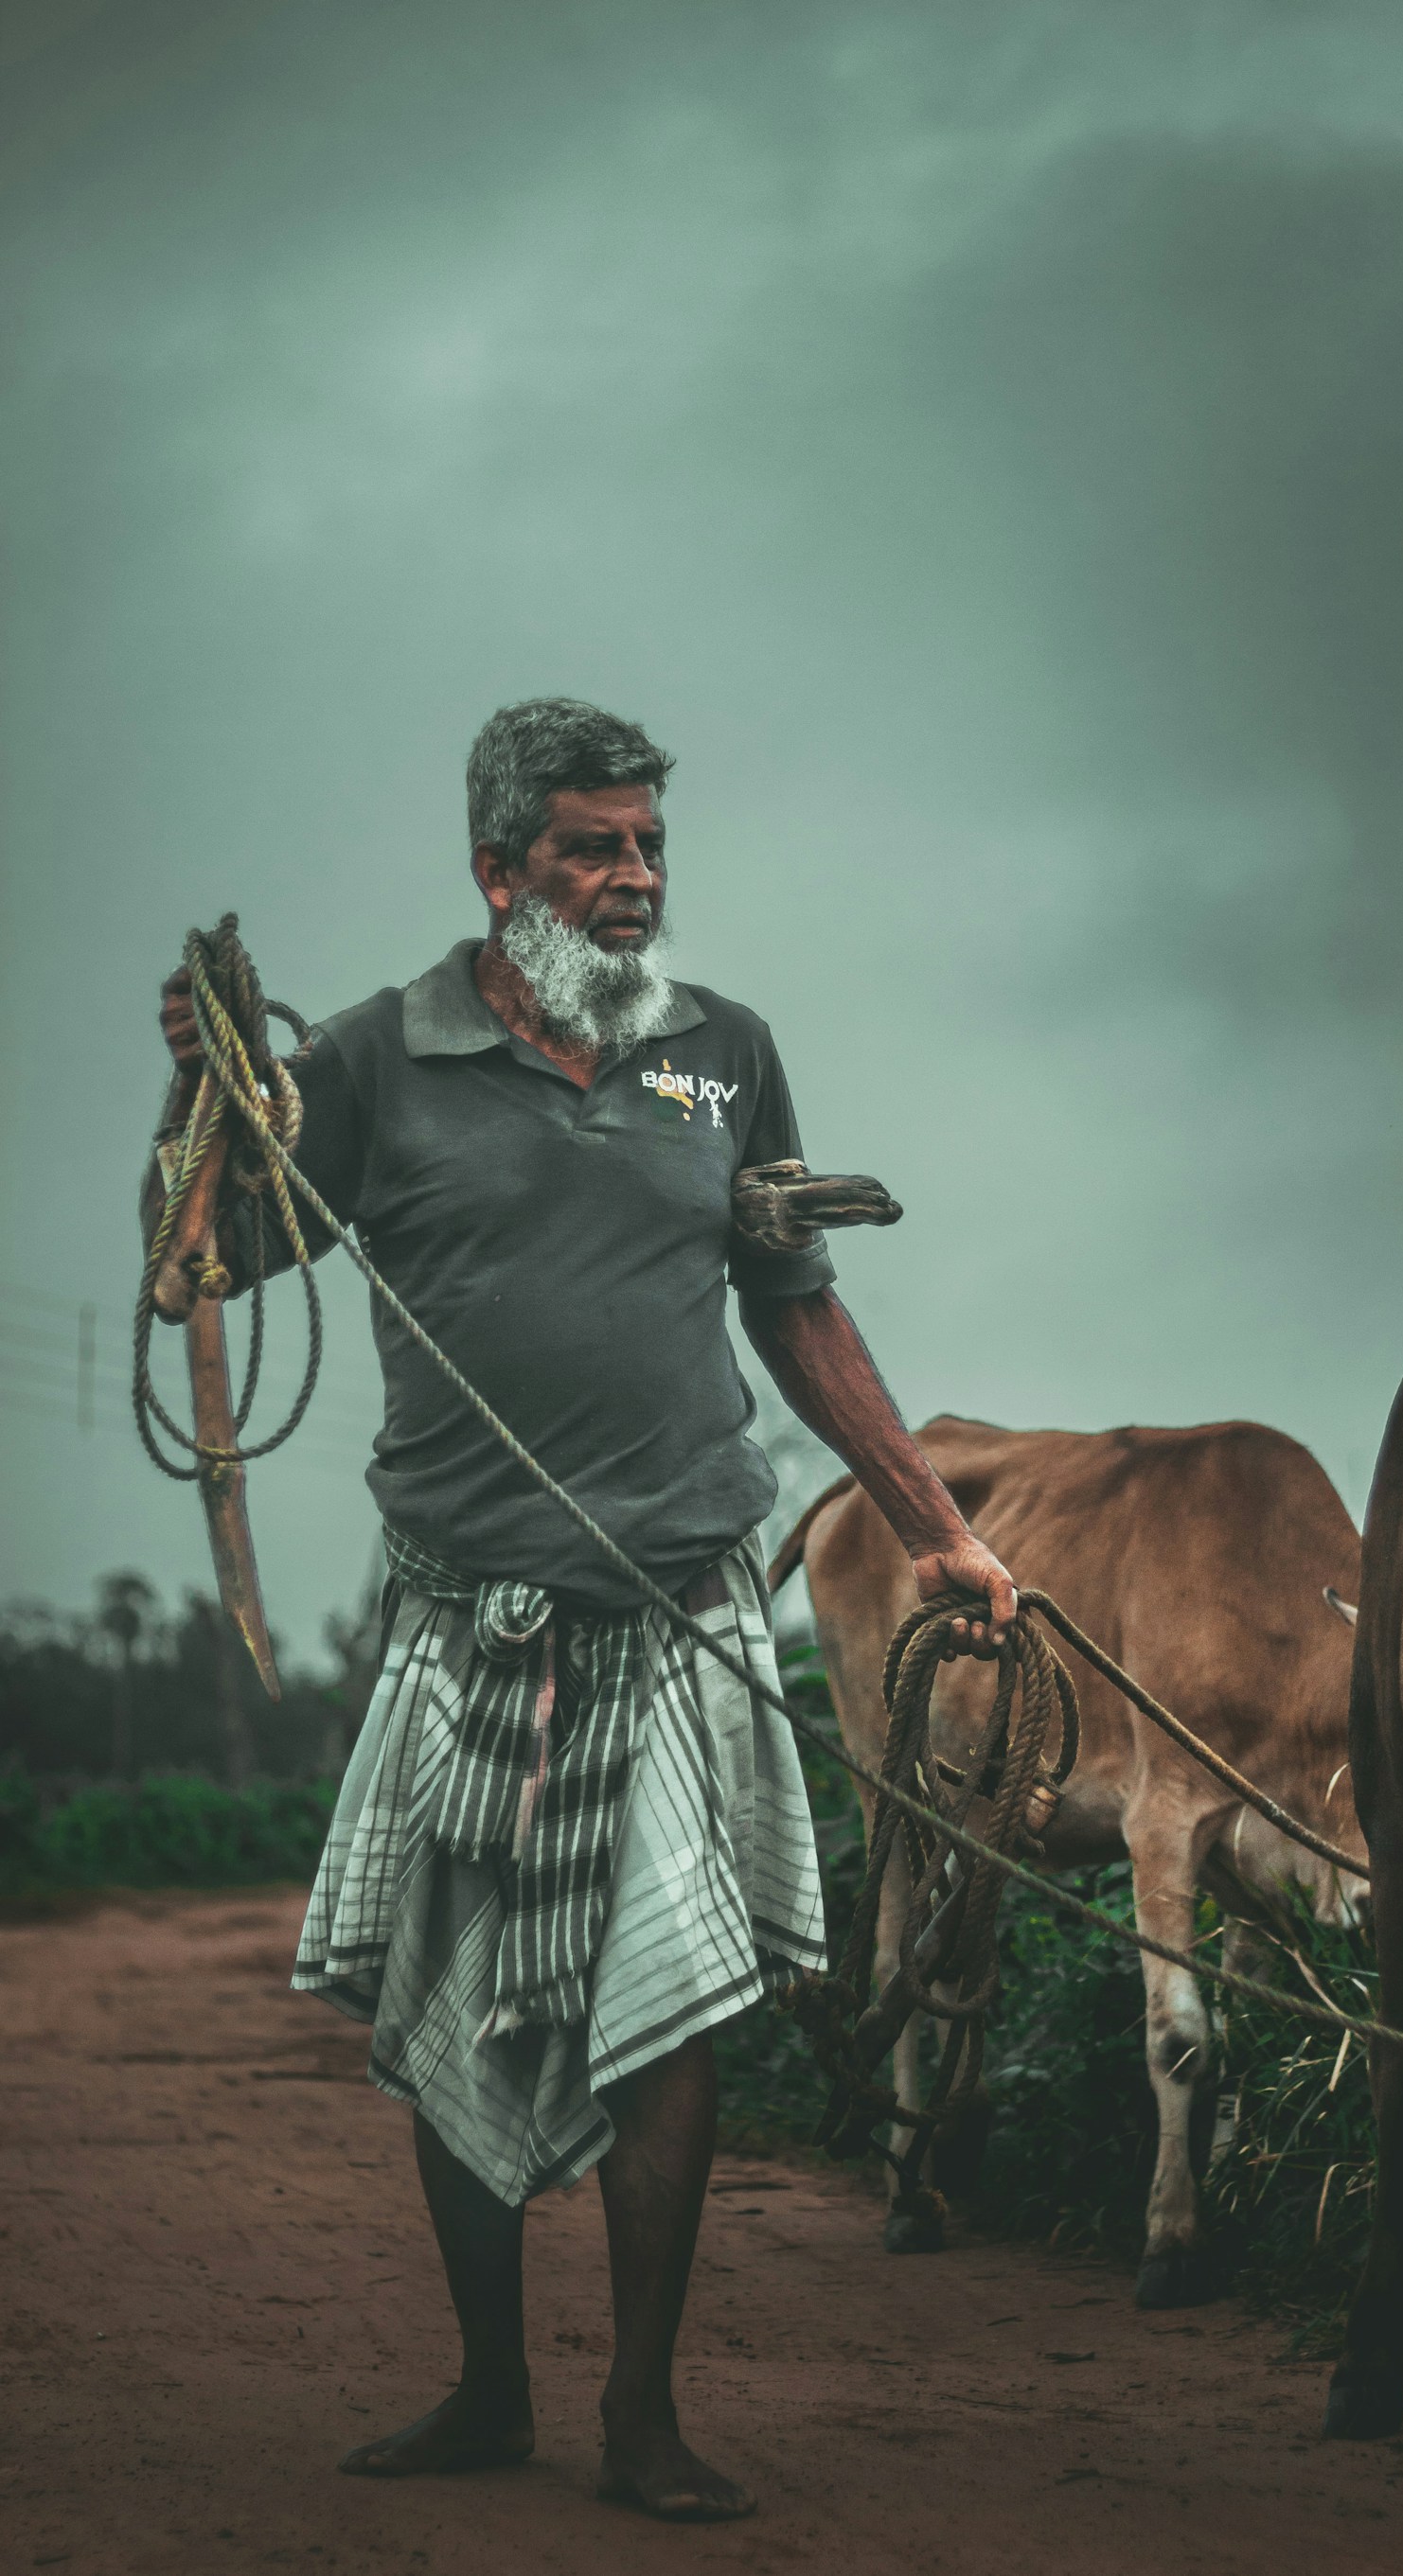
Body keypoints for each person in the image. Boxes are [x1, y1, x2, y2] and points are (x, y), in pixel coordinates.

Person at [153, 697, 1017, 2523]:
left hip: (679, 1601)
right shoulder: (378, 1060)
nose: (632, 883)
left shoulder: (720, 1057)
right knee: (452, 1993)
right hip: (470, 1618)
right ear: (499, 870)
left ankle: (639, 2409)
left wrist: (935, 1526)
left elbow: (794, 1303)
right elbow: (211, 1264)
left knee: (671, 2009)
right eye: (591, 850)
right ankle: (487, 2387)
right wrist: (214, 1096)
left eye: (647, 851)